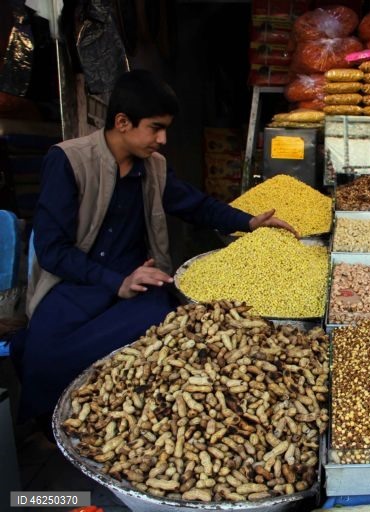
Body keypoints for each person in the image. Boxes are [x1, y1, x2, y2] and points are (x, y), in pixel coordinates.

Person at [9, 69, 297, 423]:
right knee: (47, 353)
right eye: (155, 128)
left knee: (162, 331)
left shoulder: (154, 167)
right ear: (123, 122)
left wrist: (248, 222)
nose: (162, 139)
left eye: (166, 129)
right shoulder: (69, 160)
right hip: (78, 280)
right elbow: (53, 250)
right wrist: (116, 282)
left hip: (141, 278)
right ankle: (51, 427)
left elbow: (195, 205)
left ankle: (122, 417)